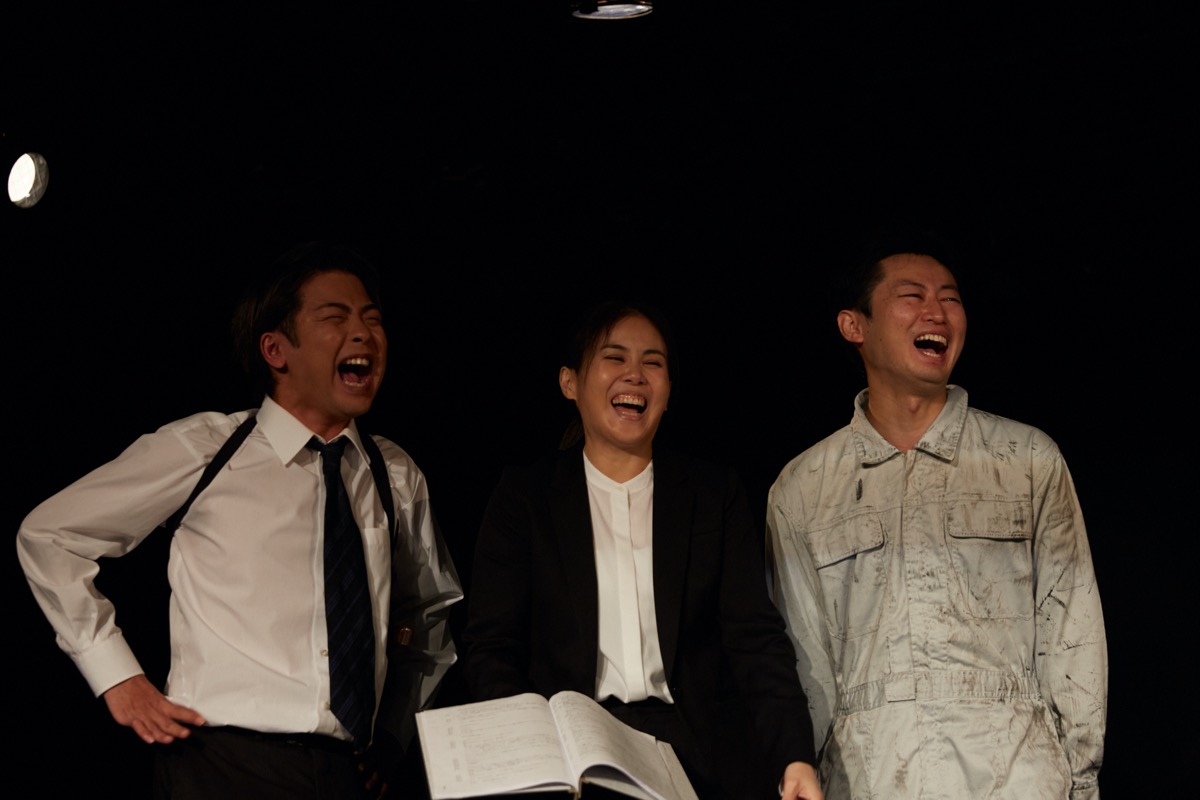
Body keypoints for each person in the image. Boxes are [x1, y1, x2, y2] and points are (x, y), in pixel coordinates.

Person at [16, 242, 462, 799]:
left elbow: (429, 614)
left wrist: (394, 734)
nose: (363, 334)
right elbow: (50, 536)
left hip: (347, 772)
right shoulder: (208, 448)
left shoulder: (392, 472)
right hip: (220, 764)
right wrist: (117, 676)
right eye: (335, 317)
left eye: (372, 319)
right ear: (276, 349)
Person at [765, 230, 1107, 799]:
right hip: (869, 778)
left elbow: (1074, 631)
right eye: (912, 296)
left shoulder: (1026, 460)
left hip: (1018, 778)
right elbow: (803, 663)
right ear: (854, 325)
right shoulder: (803, 488)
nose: (937, 312)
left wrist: (1082, 783)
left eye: (950, 298)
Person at [461, 299, 823, 800]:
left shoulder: (712, 495)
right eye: (615, 358)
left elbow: (755, 639)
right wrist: (533, 751)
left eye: (653, 363)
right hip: (571, 756)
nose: (634, 375)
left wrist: (794, 756)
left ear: (668, 391)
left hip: (694, 755)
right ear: (569, 382)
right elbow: (491, 648)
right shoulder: (525, 497)